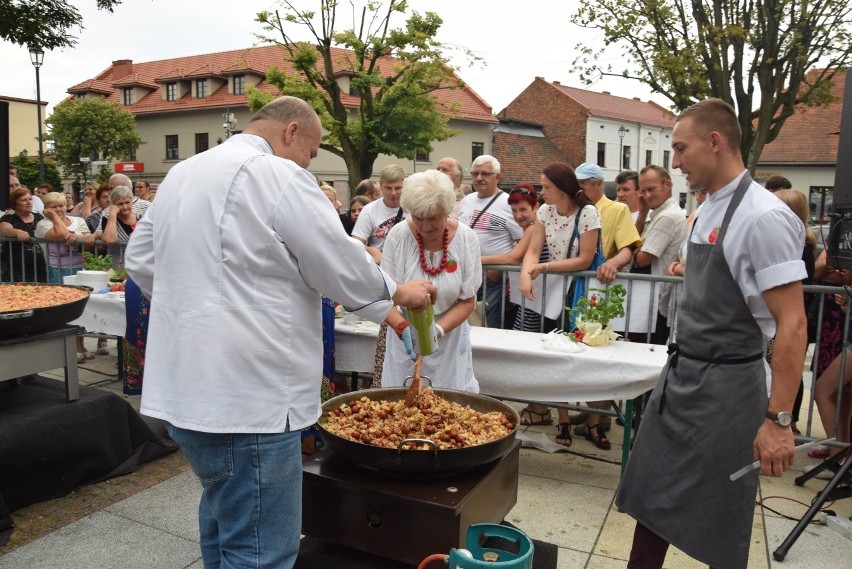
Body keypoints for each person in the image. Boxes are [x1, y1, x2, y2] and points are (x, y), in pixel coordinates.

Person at [124, 96, 435, 569]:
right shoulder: (276, 174)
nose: (308, 163)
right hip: (249, 397)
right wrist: (397, 292)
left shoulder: (183, 173)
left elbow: (141, 262)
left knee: (225, 524)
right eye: (310, 152)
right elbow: (335, 259)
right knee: (259, 552)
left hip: (184, 388)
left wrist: (197, 306)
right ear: (291, 131)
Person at [616, 98, 807, 569]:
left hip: (728, 391)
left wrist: (778, 421)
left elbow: (793, 323)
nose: (675, 162)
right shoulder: (703, 210)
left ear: (715, 142)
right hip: (681, 378)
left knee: (720, 524)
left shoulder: (764, 216)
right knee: (648, 501)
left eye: (681, 149)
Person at [518, 164, 602, 446]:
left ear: (563, 189)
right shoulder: (544, 212)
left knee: (589, 358)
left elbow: (586, 259)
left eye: (546, 188)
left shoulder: (588, 213)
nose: (541, 193)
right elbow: (532, 249)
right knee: (557, 355)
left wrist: (544, 267)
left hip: (584, 292)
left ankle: (594, 422)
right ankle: (563, 419)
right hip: (556, 292)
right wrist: (525, 275)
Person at [380, 169, 482, 392]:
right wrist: (404, 329)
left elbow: (467, 301)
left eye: (433, 218)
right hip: (404, 339)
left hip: (450, 341)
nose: (425, 227)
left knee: (450, 408)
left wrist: (436, 331)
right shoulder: (398, 236)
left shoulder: (466, 239)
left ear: (447, 210)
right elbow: (384, 297)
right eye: (418, 217)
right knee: (403, 410)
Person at [570, 162, 642, 439]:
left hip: (600, 292)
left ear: (598, 184)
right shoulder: (574, 208)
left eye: (584, 185)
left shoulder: (616, 210)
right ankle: (593, 413)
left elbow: (628, 250)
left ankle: (599, 418)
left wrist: (613, 262)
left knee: (596, 353)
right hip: (575, 289)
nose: (580, 190)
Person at [457, 155, 523, 328]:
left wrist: (502, 270)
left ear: (498, 177)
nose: (479, 178)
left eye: (485, 174)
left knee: (489, 328)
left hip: (492, 281)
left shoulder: (509, 203)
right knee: (465, 326)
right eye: (475, 174)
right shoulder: (466, 200)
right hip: (464, 277)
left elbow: (523, 241)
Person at [35, 192, 97, 362]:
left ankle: (81, 344)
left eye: (61, 205)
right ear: (46, 209)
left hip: (79, 269)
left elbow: (88, 239)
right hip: (58, 270)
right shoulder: (43, 224)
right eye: (53, 207)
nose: (59, 209)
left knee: (82, 308)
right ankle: (71, 347)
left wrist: (76, 237)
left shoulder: (79, 221)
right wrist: (55, 217)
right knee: (66, 310)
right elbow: (62, 235)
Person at [632, 165, 687, 345]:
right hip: (654, 297)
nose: (647, 195)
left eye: (652, 189)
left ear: (668, 185)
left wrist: (636, 250)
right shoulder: (658, 214)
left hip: (658, 299)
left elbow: (641, 260)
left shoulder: (667, 217)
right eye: (643, 191)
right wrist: (642, 214)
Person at [481, 183, 547, 332]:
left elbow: (513, 258)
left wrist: (478, 259)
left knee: (523, 335)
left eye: (523, 209)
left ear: (536, 207)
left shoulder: (532, 228)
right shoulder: (530, 228)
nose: (518, 215)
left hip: (533, 297)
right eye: (514, 210)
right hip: (531, 295)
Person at [351, 164, 408, 264]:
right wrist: (372, 251)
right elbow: (355, 244)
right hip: (381, 266)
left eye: (398, 188)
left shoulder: (414, 208)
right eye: (388, 188)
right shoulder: (369, 210)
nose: (393, 193)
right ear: (381, 186)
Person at [0, 187, 48, 282]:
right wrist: (17, 232)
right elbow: (3, 229)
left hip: (40, 267)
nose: (28, 202)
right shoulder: (9, 218)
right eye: (23, 200)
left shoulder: (39, 217)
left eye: (30, 199)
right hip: (16, 268)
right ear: (15, 204)